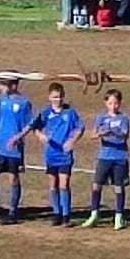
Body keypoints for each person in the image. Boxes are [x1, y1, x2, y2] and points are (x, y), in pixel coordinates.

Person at [0, 75, 35, 225]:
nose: (1, 88)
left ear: (13, 85)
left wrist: (18, 137)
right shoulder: (0, 100)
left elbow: (30, 124)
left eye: (3, 84)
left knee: (13, 178)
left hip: (15, 148)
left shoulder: (25, 103)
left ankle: (13, 211)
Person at [36, 82, 84, 227]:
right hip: (51, 154)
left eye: (60, 97)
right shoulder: (45, 113)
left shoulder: (70, 113)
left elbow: (80, 128)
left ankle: (66, 215)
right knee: (53, 184)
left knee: (64, 184)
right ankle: (56, 213)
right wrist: (40, 135)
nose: (58, 100)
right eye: (55, 97)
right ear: (49, 97)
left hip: (64, 155)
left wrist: (72, 140)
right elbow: (35, 128)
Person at [85, 87, 130, 230]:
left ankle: (119, 216)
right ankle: (94, 214)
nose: (113, 106)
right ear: (106, 103)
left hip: (120, 157)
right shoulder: (101, 118)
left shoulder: (124, 118)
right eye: (110, 103)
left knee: (118, 187)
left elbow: (125, 136)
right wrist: (100, 134)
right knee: (96, 185)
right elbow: (92, 135)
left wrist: (114, 133)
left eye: (116, 103)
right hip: (104, 156)